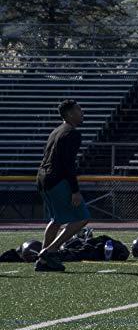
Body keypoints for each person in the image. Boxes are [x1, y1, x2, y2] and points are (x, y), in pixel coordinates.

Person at [33, 99, 90, 272]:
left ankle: (43, 261)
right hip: (57, 180)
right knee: (82, 217)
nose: (82, 113)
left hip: (42, 179)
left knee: (56, 220)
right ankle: (50, 251)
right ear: (70, 114)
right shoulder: (72, 133)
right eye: (79, 110)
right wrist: (75, 190)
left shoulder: (56, 131)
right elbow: (68, 164)